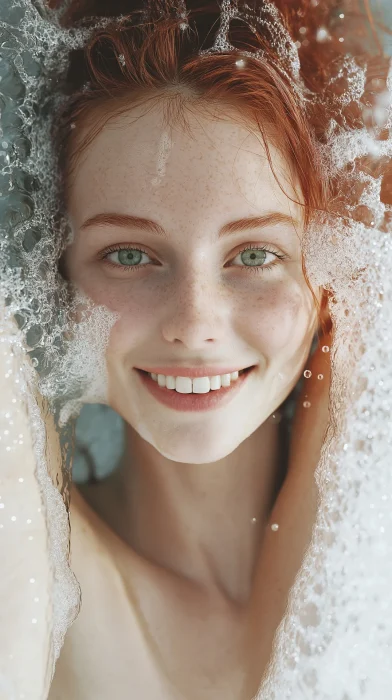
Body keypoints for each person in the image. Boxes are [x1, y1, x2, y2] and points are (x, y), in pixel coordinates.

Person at [2, 0, 390, 698]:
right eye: (128, 254)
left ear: (337, 275)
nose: (195, 320)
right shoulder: (28, 595)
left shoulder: (369, 570)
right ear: (55, 275)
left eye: (254, 253)